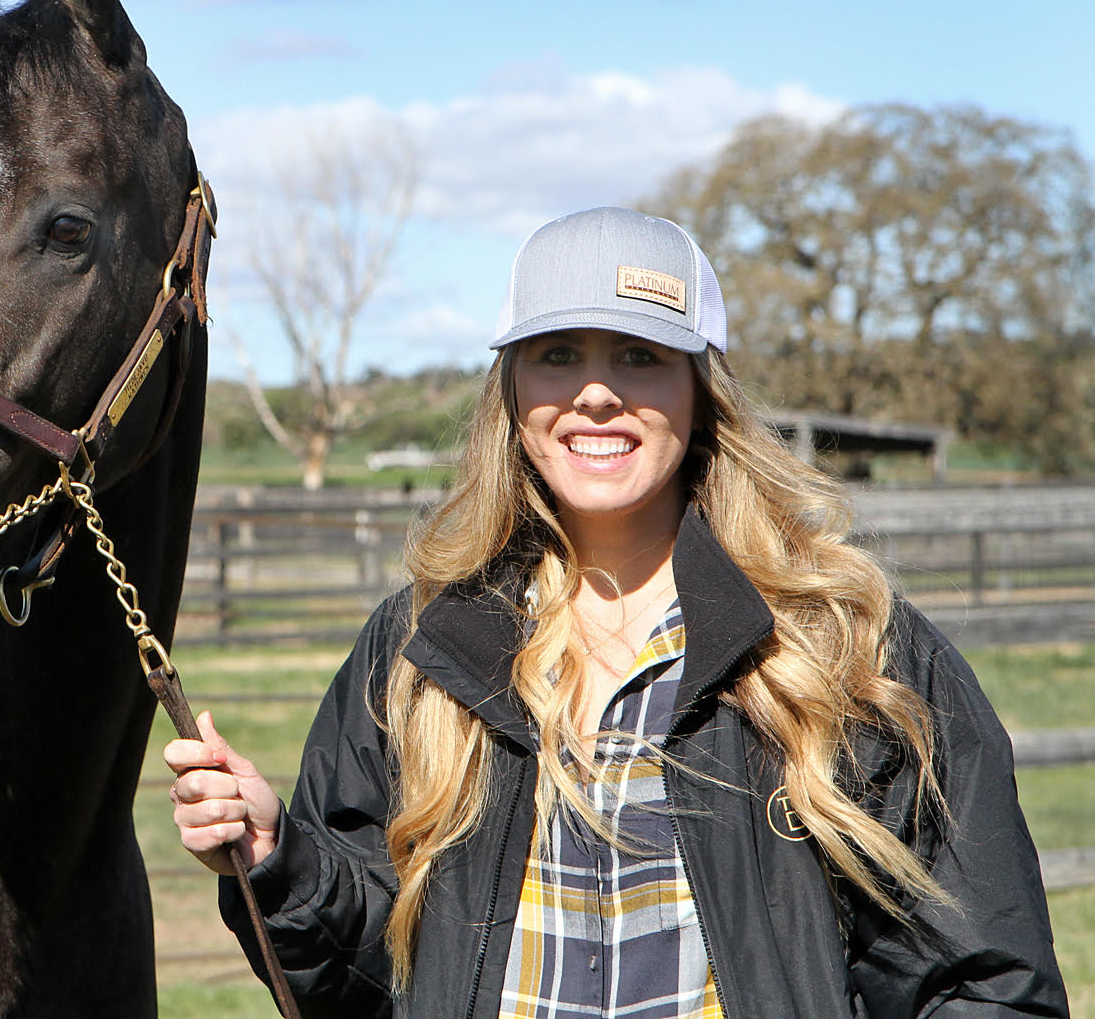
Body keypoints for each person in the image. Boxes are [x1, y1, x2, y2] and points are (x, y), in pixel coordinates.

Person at [168, 206, 1066, 1018]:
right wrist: (277, 857)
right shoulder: (419, 650)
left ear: (698, 391)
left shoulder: (846, 648)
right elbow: (380, 974)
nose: (595, 393)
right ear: (513, 397)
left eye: (638, 356)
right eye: (557, 355)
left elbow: (980, 978)